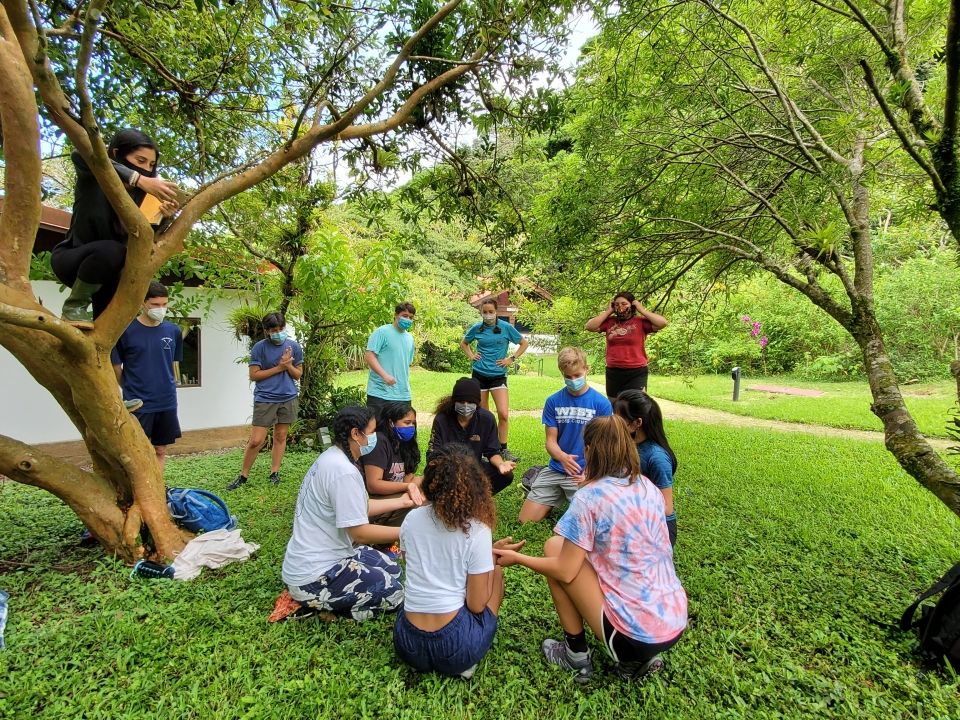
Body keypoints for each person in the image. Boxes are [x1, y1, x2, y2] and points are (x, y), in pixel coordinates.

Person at [494, 415, 687, 683]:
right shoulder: (648, 487)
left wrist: (518, 558)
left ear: (589, 450)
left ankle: (575, 654)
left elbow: (564, 568)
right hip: (674, 623)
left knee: (554, 552)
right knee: (557, 544)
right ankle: (640, 657)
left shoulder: (590, 497)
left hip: (631, 637)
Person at [393, 444, 525, 679]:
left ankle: (425, 663)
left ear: (430, 481)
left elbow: (416, 560)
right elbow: (476, 605)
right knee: (496, 574)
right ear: (476, 485)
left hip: (407, 643)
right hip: (455, 646)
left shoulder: (411, 520)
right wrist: (490, 561)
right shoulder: (477, 530)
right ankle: (464, 664)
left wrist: (486, 552)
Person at [281, 405, 422, 620]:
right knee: (395, 594)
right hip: (315, 573)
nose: (375, 437)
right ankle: (323, 608)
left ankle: (329, 600)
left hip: (334, 554)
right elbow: (360, 534)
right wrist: (408, 531)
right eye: (372, 432)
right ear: (355, 434)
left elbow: (360, 508)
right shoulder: (343, 472)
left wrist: (402, 501)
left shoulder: (335, 458)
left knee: (393, 569)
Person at [52, 129, 180, 328]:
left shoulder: (144, 197)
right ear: (116, 154)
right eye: (140, 161)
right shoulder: (93, 177)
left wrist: (164, 217)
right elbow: (81, 154)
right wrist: (138, 178)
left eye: (151, 165)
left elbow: (142, 239)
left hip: (111, 276)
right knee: (112, 250)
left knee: (106, 333)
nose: (147, 168)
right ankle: (74, 306)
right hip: (74, 260)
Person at [518, 347, 612, 523]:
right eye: (568, 377)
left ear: (586, 369)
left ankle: (564, 496)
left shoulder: (602, 404)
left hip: (583, 473)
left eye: (577, 375)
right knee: (524, 521)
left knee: (591, 522)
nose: (573, 380)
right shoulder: (553, 401)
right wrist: (562, 457)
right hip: (556, 469)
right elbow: (550, 442)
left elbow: (604, 448)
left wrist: (590, 474)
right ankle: (550, 493)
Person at [110, 282, 182, 472]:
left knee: (160, 449)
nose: (161, 309)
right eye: (155, 305)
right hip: (138, 402)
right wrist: (130, 388)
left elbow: (173, 364)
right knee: (136, 451)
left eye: (164, 304)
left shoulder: (173, 331)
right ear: (143, 303)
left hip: (166, 400)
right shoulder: (125, 331)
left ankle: (156, 490)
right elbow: (116, 367)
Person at [227, 312, 304, 491]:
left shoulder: (294, 346)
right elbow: (254, 375)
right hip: (265, 398)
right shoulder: (259, 348)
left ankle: (274, 472)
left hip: (288, 397)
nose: (278, 333)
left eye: (281, 329)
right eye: (273, 330)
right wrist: (280, 367)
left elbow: (298, 375)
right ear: (267, 331)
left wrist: (289, 366)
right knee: (256, 440)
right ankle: (243, 475)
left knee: (280, 436)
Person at [460, 299, 529, 462]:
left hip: (498, 375)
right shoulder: (477, 328)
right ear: (481, 312)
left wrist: (511, 359)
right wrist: (471, 355)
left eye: (491, 311)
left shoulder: (506, 328)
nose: (488, 315)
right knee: (484, 415)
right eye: (485, 312)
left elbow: (523, 343)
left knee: (503, 414)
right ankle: (485, 450)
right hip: (479, 374)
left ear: (496, 311)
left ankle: (502, 448)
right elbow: (464, 343)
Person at [427, 378, 515, 494]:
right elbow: (433, 454)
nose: (465, 406)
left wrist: (501, 464)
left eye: (470, 402)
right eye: (461, 402)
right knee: (434, 475)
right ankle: (453, 496)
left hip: (474, 467)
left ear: (477, 402)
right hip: (447, 468)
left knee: (505, 476)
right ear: (454, 402)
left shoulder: (487, 419)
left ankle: (476, 497)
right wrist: (453, 469)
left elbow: (492, 451)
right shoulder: (442, 419)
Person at [614, 390, 679, 545]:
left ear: (637, 423)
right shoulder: (625, 444)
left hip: (656, 529)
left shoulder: (656, 457)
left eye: (619, 418)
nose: (613, 421)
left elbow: (666, 508)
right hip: (628, 518)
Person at [584, 292, 668, 400]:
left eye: (624, 304)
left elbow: (663, 323)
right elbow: (589, 326)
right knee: (615, 405)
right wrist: (608, 311)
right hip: (613, 371)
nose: (620, 307)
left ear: (632, 305)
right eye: (617, 304)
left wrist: (641, 310)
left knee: (636, 405)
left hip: (637, 371)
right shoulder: (609, 322)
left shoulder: (641, 322)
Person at [359, 402, 425, 525]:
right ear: (391, 422)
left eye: (413, 423)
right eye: (406, 422)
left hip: (395, 496)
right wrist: (407, 487)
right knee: (415, 501)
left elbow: (408, 480)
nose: (411, 427)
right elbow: (373, 485)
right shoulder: (379, 442)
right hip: (373, 502)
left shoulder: (406, 445)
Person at [365, 302, 416, 416]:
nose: (407, 319)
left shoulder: (410, 339)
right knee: (378, 432)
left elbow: (406, 363)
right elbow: (369, 355)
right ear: (395, 315)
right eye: (404, 315)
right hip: (380, 394)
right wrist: (385, 375)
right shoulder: (382, 332)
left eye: (411, 317)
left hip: (403, 394)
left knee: (403, 432)